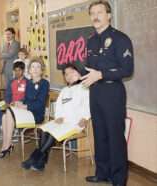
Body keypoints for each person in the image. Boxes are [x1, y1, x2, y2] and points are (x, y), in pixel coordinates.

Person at [82, 1, 134, 186]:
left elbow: (127, 69)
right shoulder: (90, 40)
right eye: (92, 13)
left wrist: (102, 74)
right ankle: (102, 172)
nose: (95, 16)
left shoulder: (120, 39)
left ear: (109, 15)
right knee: (100, 133)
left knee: (115, 136)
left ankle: (119, 179)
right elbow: (90, 68)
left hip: (113, 92)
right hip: (95, 92)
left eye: (100, 12)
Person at [21, 64, 90, 171]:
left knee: (52, 133)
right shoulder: (64, 90)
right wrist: (58, 117)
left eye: (72, 72)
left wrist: (85, 118)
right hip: (62, 120)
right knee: (43, 130)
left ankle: (34, 157)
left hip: (75, 123)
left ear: (79, 73)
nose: (69, 75)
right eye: (66, 74)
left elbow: (89, 104)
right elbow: (59, 106)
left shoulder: (84, 88)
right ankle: (40, 163)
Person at [0, 58, 49, 159]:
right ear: (29, 70)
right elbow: (26, 98)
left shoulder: (44, 83)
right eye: (33, 67)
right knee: (6, 113)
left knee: (9, 113)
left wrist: (25, 106)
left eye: (38, 67)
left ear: (42, 70)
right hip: (26, 111)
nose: (35, 69)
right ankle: (7, 144)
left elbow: (40, 103)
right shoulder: (28, 83)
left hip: (35, 114)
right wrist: (19, 102)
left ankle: (6, 146)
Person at [0, 61, 28, 141]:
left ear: (23, 71)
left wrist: (17, 102)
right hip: (10, 103)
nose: (17, 72)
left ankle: (15, 131)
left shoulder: (27, 82)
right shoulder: (11, 82)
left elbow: (27, 96)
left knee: (12, 110)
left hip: (21, 104)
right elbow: (7, 94)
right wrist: (8, 103)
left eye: (19, 70)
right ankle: (3, 130)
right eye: (15, 70)